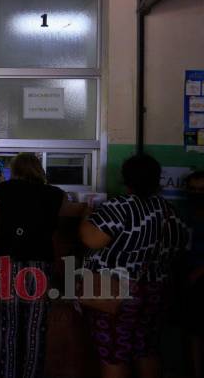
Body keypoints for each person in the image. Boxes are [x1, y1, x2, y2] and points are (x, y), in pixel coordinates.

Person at [0, 152, 84, 378]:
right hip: (41, 265)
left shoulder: (7, 189)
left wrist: (5, 188)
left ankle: (8, 373)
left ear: (16, 170)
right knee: (35, 326)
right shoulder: (56, 194)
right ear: (38, 170)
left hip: (10, 264)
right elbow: (71, 210)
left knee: (9, 324)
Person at [79, 154, 187, 378]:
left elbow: (91, 240)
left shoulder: (119, 207)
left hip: (117, 290)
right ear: (157, 179)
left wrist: (85, 217)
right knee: (146, 350)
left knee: (113, 354)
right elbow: (179, 247)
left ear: (126, 179)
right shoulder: (170, 211)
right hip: (156, 290)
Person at [180, 171, 204, 377]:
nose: (197, 194)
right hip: (186, 277)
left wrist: (198, 272)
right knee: (192, 331)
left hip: (199, 278)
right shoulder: (185, 213)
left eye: (201, 190)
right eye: (193, 189)